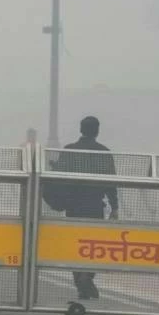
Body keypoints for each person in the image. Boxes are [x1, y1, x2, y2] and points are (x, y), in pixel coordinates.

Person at [56, 116, 120, 300]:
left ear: (80, 129)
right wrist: (114, 207)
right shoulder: (103, 153)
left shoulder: (69, 150)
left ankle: (79, 279)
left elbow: (59, 176)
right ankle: (87, 275)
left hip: (73, 205)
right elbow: (111, 184)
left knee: (75, 243)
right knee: (93, 245)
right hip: (94, 206)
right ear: (97, 130)